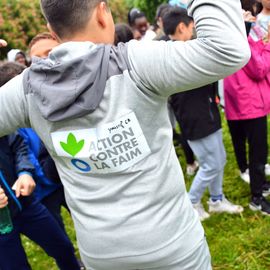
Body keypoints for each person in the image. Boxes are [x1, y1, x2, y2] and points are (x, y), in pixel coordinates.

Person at [0, 0, 250, 269]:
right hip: (172, 246)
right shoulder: (136, 63)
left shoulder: (27, 91)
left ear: (51, 28)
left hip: (102, 255)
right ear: (102, 12)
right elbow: (227, 50)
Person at [163, 7, 244, 221]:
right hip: (196, 120)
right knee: (211, 164)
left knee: (220, 159)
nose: (195, 29)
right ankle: (192, 202)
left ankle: (216, 199)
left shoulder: (184, 50)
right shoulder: (176, 55)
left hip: (208, 113)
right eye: (192, 26)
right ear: (182, 27)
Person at [0, 63, 81, 270]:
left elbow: (17, 144)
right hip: (1, 226)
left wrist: (24, 172)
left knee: (62, 247)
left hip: (26, 204)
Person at [224, 8, 270, 215]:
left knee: (251, 148)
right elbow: (259, 69)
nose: (252, 17)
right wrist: (266, 46)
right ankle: (257, 198)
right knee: (258, 151)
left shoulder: (228, 38)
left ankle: (259, 184)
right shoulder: (244, 40)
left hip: (238, 101)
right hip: (250, 103)